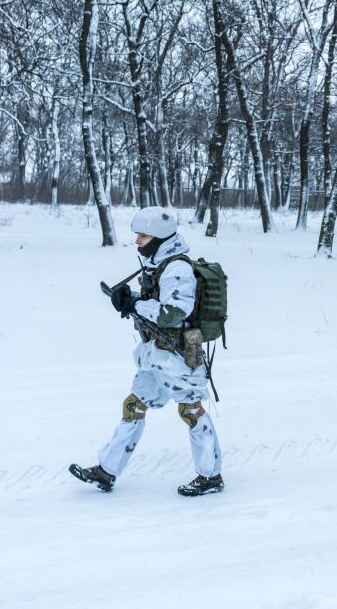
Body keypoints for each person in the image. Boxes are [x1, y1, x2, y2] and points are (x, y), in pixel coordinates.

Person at [70, 206, 224, 497]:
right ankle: (106, 470)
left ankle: (210, 476)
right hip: (157, 350)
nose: (137, 241)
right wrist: (131, 298)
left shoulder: (177, 267)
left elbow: (174, 312)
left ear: (159, 237)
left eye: (142, 235)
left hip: (183, 349)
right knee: (134, 404)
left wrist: (135, 305)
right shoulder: (160, 263)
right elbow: (160, 300)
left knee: (191, 409)